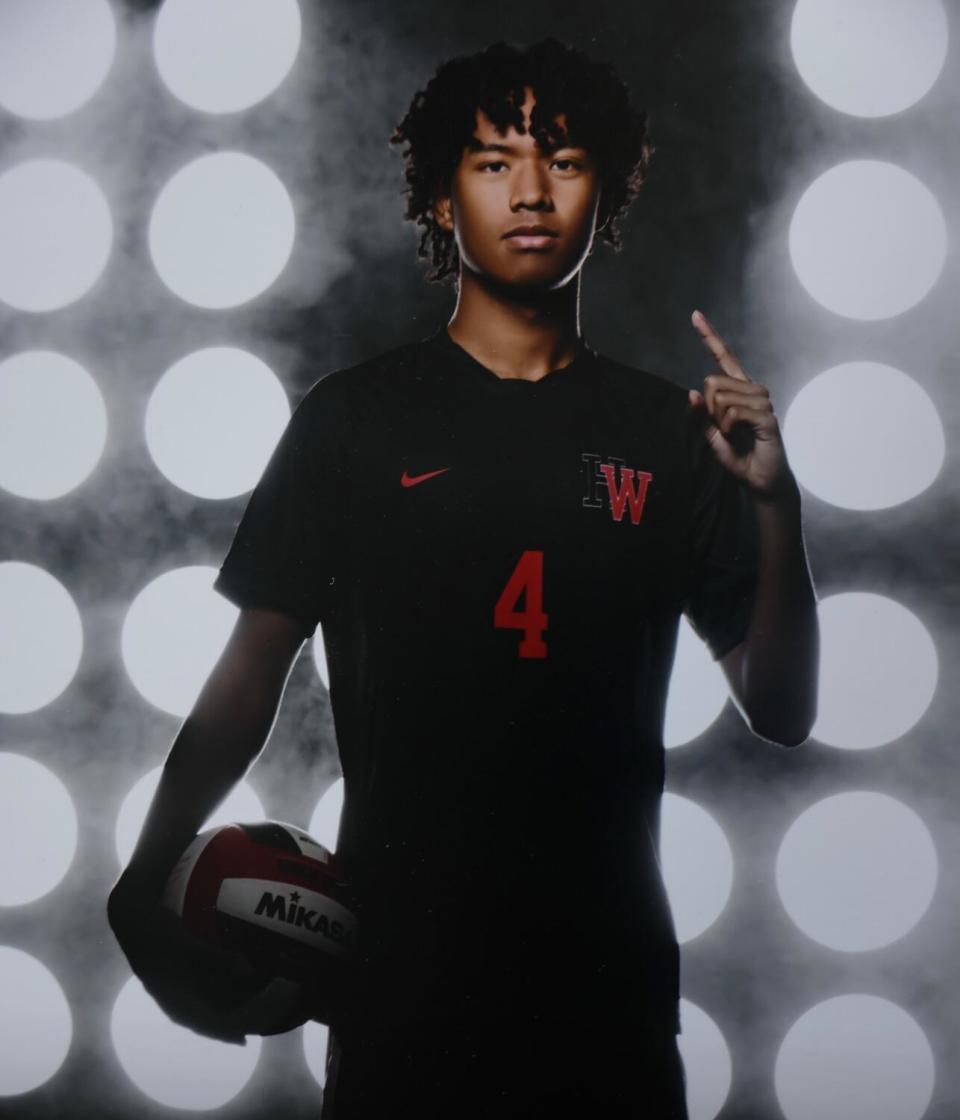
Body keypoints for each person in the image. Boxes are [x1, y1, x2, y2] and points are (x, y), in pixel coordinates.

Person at [108, 37, 819, 1120]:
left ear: (606, 190)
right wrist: (147, 869)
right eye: (492, 162)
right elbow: (250, 671)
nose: (530, 190)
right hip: (396, 994)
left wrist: (776, 508)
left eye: (563, 158)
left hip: (608, 999)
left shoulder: (666, 434)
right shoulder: (357, 419)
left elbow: (781, 707)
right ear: (442, 197)